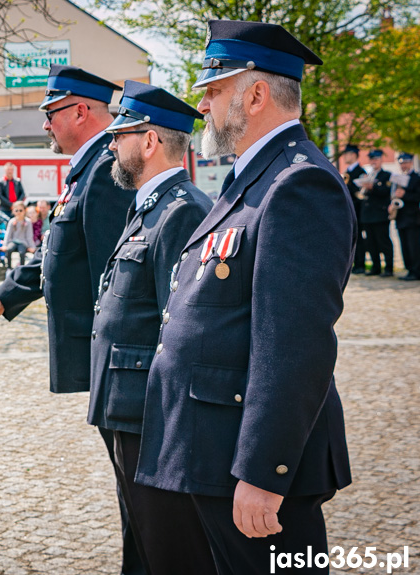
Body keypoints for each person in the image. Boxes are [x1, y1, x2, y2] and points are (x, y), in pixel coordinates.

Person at [135, 20, 353, 575]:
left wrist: (264, 472)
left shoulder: (298, 183)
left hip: (248, 465)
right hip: (212, 451)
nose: (202, 107)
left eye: (212, 91)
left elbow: (294, 345)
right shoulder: (250, 179)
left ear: (255, 94)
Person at [0, 65, 142, 575]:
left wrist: (112, 357)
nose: (45, 125)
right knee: (131, 490)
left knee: (139, 495)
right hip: (102, 356)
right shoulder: (88, 170)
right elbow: (57, 252)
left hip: (115, 357)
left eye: (50, 114)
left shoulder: (107, 174)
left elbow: (118, 278)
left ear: (81, 112)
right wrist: (5, 296)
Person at [89, 80, 217, 574]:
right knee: (142, 539)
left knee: (170, 548)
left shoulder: (182, 211)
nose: (112, 145)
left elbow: (182, 326)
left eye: (120, 135)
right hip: (128, 405)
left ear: (149, 141)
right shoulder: (152, 205)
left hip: (151, 412)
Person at [359, 149, 394, 277]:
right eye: (372, 159)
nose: (374, 161)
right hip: (367, 215)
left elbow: (386, 192)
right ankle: (376, 267)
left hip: (380, 214)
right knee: (371, 242)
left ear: (381, 160)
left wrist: (373, 186)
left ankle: (389, 268)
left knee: (383, 242)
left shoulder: (387, 175)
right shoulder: (368, 175)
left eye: (376, 159)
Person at [393, 152, 420, 281]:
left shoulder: (417, 178)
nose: (404, 165)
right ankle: (409, 269)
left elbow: (417, 197)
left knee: (413, 246)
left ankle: (416, 271)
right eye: (401, 163)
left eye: (406, 162)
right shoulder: (398, 179)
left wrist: (405, 194)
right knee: (404, 245)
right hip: (401, 217)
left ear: (411, 162)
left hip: (413, 218)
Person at [341, 145, 368, 274]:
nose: (345, 156)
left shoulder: (360, 171)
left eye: (347, 154)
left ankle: (361, 264)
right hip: (349, 211)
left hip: (358, 210)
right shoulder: (347, 172)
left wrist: (349, 184)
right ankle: (355, 264)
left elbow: (360, 193)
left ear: (353, 155)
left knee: (359, 240)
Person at [2, 200, 34, 264]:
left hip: (23, 242)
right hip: (13, 241)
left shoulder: (27, 221)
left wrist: (32, 246)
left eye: (21, 210)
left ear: (24, 211)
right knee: (9, 250)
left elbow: (29, 235)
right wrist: (5, 245)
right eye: (16, 210)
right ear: (13, 211)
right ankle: (9, 267)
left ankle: (22, 268)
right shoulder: (12, 221)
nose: (19, 212)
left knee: (22, 252)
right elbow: (8, 234)